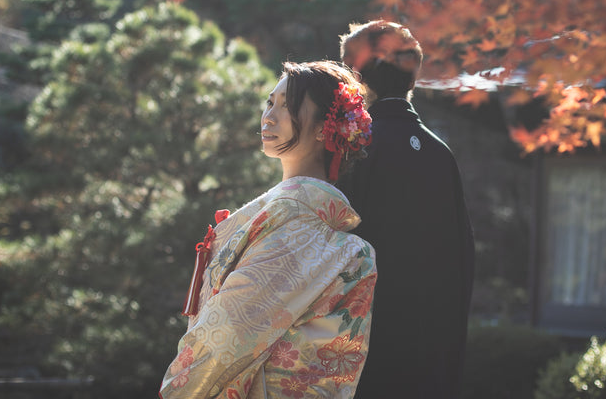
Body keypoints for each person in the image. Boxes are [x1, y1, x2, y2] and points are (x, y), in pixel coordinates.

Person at [160, 61, 377, 399]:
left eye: (287, 107)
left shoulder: (295, 221)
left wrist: (177, 391)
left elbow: (230, 332)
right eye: (269, 103)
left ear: (324, 127)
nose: (269, 117)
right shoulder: (330, 236)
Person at [338, 20, 475, 399]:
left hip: (369, 349)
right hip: (432, 352)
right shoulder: (441, 154)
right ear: (413, 77)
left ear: (356, 78)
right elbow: (463, 259)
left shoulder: (356, 149)